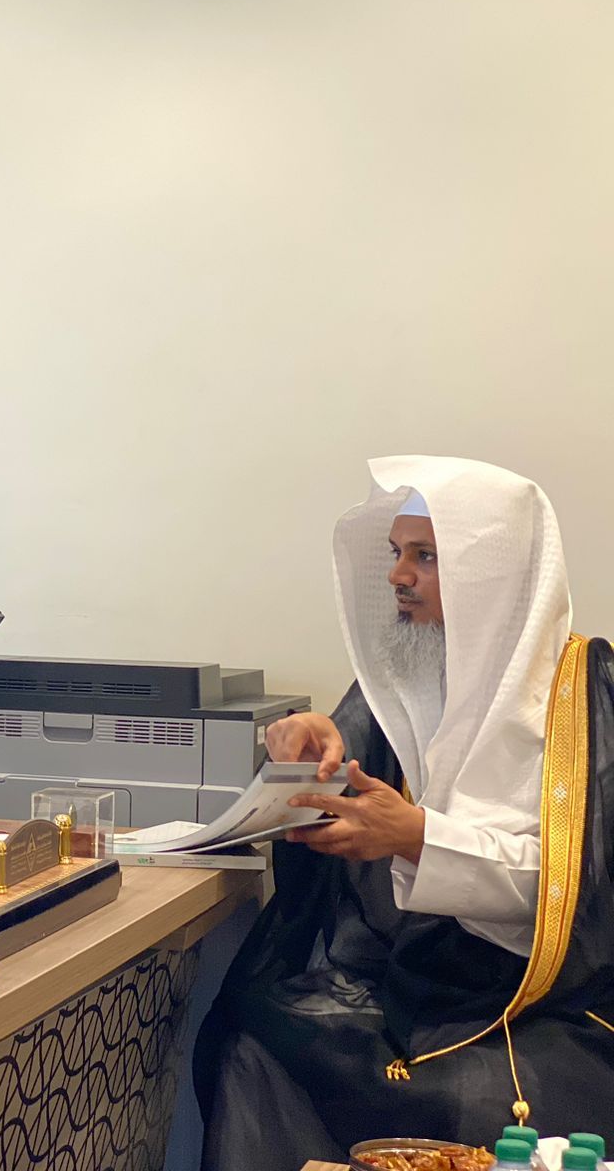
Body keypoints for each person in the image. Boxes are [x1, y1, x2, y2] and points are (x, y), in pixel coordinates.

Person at [196, 456, 614, 1168]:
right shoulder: (404, 677)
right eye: (396, 553)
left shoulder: (585, 699)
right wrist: (304, 746)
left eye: (425, 556)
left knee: (471, 1102)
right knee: (250, 1043)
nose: (397, 575)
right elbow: (331, 790)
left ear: (493, 573)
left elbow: (573, 893)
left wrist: (418, 838)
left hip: (540, 1000)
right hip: (400, 975)